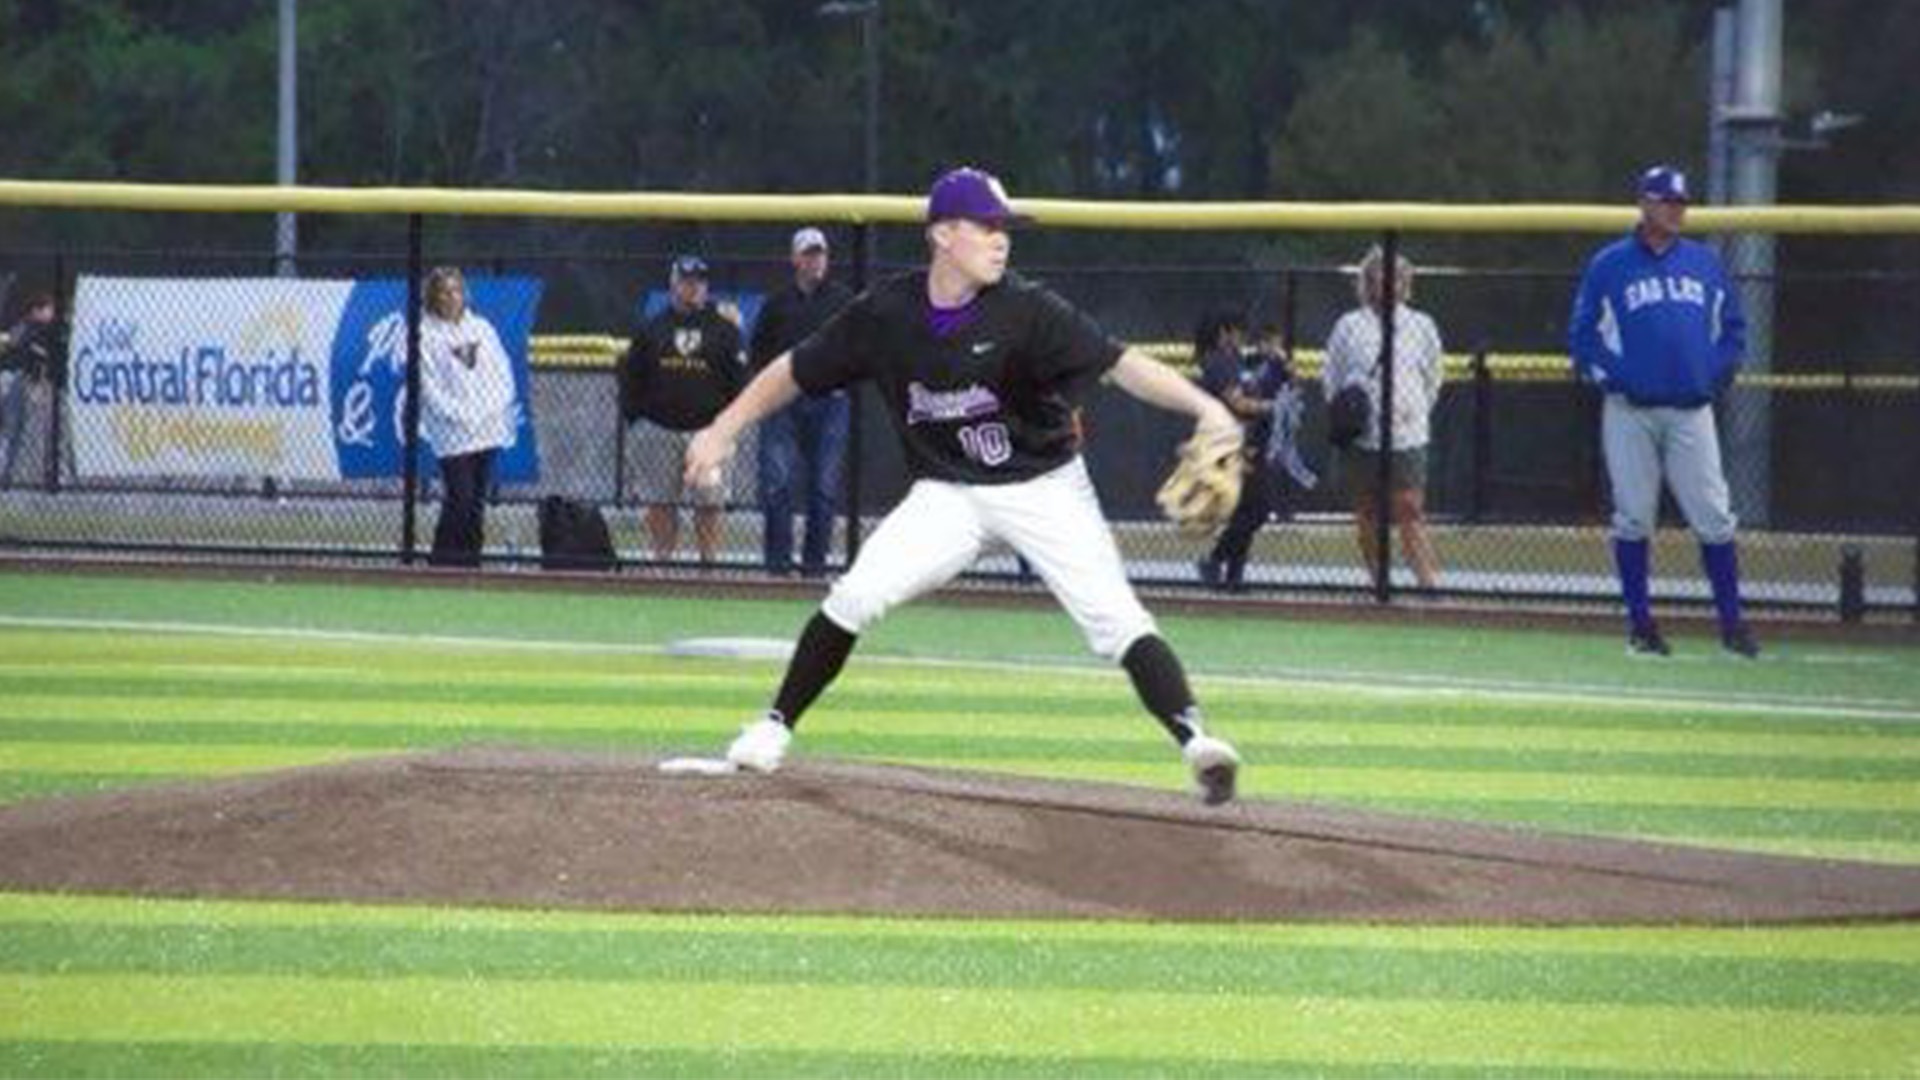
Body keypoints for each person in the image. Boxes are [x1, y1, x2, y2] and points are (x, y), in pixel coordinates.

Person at [679, 166, 1245, 805]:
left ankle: (1196, 741)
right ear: (944, 234)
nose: (1001, 240)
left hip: (1044, 487)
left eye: (1005, 229)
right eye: (987, 227)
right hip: (946, 494)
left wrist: (1209, 410)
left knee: (1115, 619)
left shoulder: (1029, 310)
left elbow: (1122, 365)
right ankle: (772, 727)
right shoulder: (886, 313)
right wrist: (723, 429)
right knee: (856, 594)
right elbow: (794, 370)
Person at [1569, 165, 1757, 658]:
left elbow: (1734, 330)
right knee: (1633, 516)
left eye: (1681, 203)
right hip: (1629, 410)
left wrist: (1711, 374)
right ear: (1645, 205)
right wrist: (1615, 376)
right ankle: (1641, 626)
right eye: (1667, 201)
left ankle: (1733, 626)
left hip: (1691, 411)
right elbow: (1583, 336)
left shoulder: (1705, 263)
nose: (1677, 210)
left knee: (1714, 517)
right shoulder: (1609, 264)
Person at [1321, 247, 1444, 590]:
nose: (1391, 285)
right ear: (1368, 283)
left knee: (1410, 507)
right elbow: (1332, 375)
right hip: (1364, 435)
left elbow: (1434, 376)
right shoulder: (1349, 325)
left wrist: (1415, 412)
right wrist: (1349, 413)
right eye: (1381, 278)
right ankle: (1379, 581)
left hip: (1408, 431)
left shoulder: (1421, 325)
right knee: (1367, 511)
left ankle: (1428, 584)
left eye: (1399, 278)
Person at [619, 254, 747, 563]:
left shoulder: (725, 330)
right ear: (673, 284)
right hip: (659, 430)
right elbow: (630, 376)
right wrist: (637, 419)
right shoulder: (652, 328)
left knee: (709, 502)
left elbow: (739, 381)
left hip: (708, 435)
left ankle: (708, 567)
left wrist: (724, 429)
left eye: (699, 282)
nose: (693, 287)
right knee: (661, 502)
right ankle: (663, 565)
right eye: (686, 281)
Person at [751, 227, 856, 576]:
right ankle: (777, 569)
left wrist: (843, 384)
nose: (815, 260)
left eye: (820, 254)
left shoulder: (842, 300)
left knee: (823, 489)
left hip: (830, 402)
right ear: (795, 259)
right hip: (784, 402)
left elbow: (859, 349)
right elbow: (758, 354)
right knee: (777, 484)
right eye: (809, 254)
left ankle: (814, 569)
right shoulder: (777, 304)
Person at [1194, 314, 1301, 592]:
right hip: (1229, 444)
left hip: (1250, 442)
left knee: (1248, 509)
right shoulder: (1218, 362)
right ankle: (1214, 559)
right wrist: (1272, 407)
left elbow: (1279, 380)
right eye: (1237, 332)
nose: (1242, 338)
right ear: (1223, 333)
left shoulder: (1240, 362)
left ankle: (1233, 576)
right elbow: (1237, 402)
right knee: (1258, 508)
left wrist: (1280, 364)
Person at [418, 267, 517, 568]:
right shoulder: (426, 334)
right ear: (433, 296)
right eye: (444, 291)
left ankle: (471, 564)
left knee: (476, 504)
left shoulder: (483, 329)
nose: (451, 297)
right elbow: (428, 386)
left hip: (487, 429)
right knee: (459, 498)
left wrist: (489, 411)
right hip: (453, 434)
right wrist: (459, 416)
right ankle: (443, 563)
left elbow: (503, 375)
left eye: (456, 290)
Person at [0, 292, 68, 487]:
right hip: (19, 381)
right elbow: (19, 347)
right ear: (36, 310)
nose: (52, 313)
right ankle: (10, 476)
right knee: (14, 431)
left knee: (19, 433)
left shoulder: (44, 331)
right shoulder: (28, 327)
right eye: (48, 309)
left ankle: (13, 476)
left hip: (29, 382)